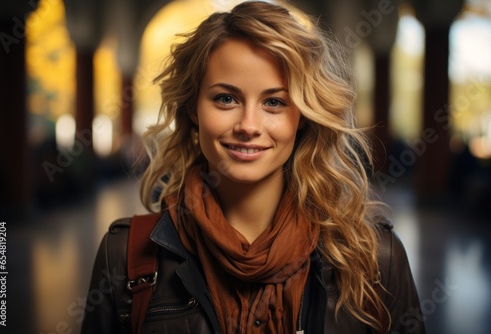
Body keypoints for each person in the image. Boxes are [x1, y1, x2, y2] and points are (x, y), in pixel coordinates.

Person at [81, 1, 425, 333]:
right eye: (225, 98)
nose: (248, 125)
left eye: (274, 102)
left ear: (301, 117)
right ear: (191, 108)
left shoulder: (374, 257)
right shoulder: (125, 257)